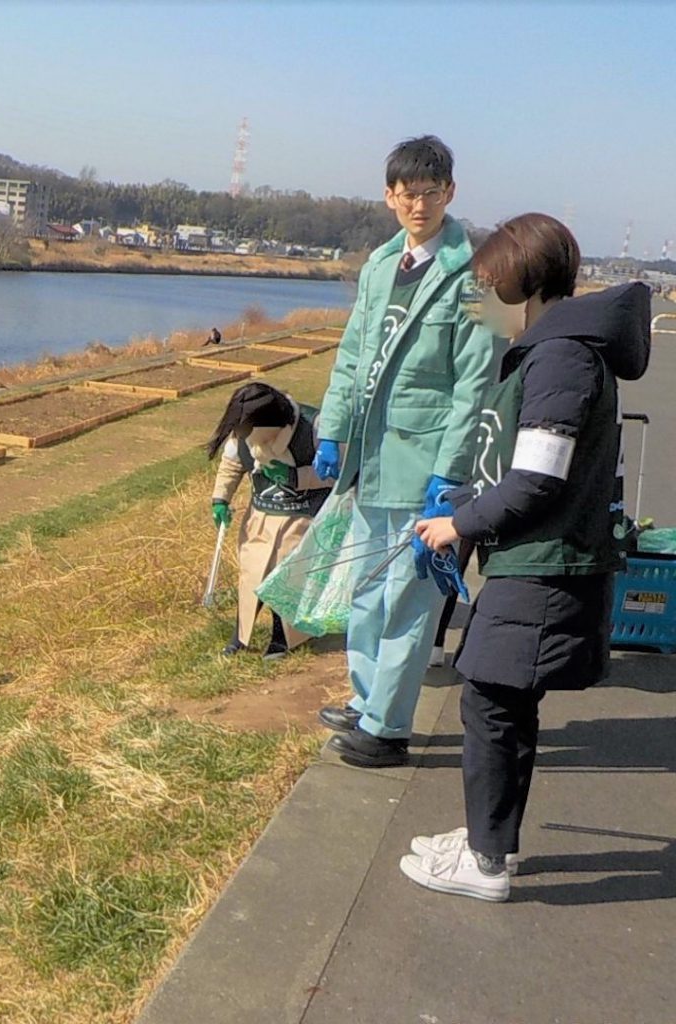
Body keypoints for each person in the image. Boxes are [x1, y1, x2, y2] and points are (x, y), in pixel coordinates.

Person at [400, 214, 650, 901]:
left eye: (487, 289)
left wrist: (460, 523)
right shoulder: (554, 350)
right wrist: (470, 508)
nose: (480, 304)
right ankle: (489, 843)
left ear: (526, 286)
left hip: (542, 569)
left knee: (489, 705)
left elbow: (539, 478)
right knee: (500, 705)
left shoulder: (562, 357)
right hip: (531, 562)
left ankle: (485, 865)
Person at [313, 135, 499, 767]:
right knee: (367, 590)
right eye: (406, 192)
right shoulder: (379, 265)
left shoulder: (475, 275)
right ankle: (368, 703)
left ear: (450, 191)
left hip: (423, 463)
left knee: (408, 596)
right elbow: (351, 355)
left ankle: (389, 727)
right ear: (389, 196)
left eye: (430, 191)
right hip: (371, 455)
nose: (418, 204)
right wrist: (332, 428)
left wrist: (450, 473)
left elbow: (475, 380)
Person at [207, 381, 334, 659]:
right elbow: (231, 465)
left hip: (303, 516)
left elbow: (338, 472)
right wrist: (220, 499)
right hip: (261, 515)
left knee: (286, 573)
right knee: (253, 571)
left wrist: (296, 478)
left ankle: (283, 635)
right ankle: (241, 633)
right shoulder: (242, 432)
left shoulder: (314, 427)